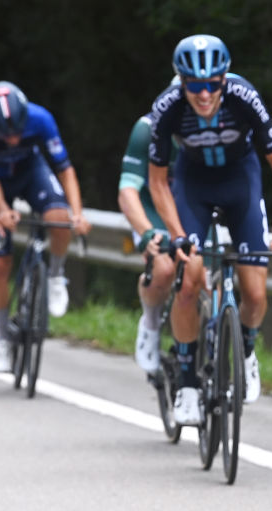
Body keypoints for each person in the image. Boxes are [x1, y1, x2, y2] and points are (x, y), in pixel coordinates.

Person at [147, 35, 272, 425]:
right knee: (189, 281)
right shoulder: (167, 106)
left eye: (213, 84)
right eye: (194, 85)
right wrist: (177, 233)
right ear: (181, 82)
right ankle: (189, 386)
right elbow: (158, 182)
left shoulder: (245, 97)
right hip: (192, 185)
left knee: (256, 292)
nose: (204, 93)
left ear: (224, 79)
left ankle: (245, 352)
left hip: (239, 182)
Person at [0, 81, 92, 372]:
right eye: (5, 134)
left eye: (17, 132)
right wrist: (1, 210)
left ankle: (56, 276)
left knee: (59, 219)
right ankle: (1, 340)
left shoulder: (41, 119)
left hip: (31, 173)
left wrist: (77, 213)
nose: (12, 139)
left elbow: (65, 170)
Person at [118, 108, 177, 374]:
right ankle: (151, 325)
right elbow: (128, 189)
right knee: (164, 269)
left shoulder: (215, 128)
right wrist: (145, 232)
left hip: (187, 205)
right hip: (151, 208)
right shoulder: (147, 128)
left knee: (210, 276)